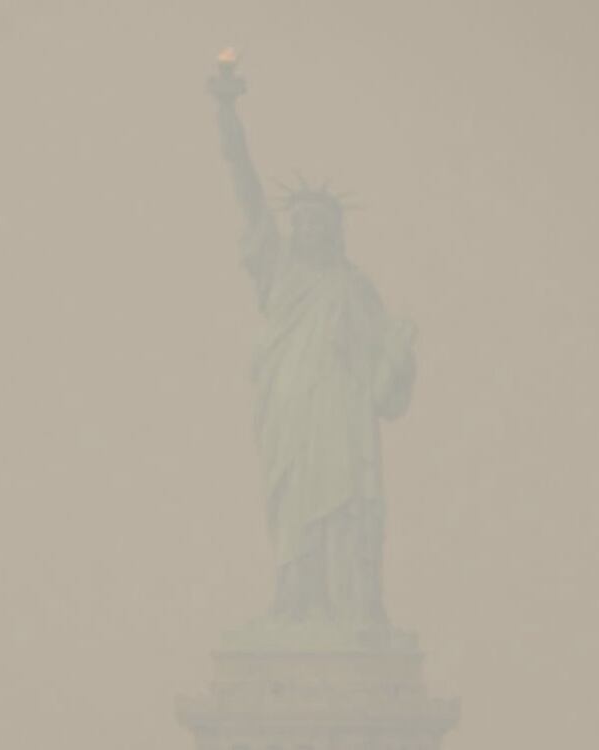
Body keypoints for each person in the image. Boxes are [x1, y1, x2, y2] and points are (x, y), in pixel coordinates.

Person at [208, 49, 417, 626]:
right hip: (291, 411)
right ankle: (296, 594)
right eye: (299, 219)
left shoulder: (356, 289)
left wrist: (399, 354)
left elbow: (385, 387)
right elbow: (247, 191)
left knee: (347, 502)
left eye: (319, 220)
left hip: (344, 412)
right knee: (297, 503)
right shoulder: (279, 271)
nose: (307, 227)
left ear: (336, 230)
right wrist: (228, 115)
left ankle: (353, 602)